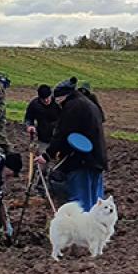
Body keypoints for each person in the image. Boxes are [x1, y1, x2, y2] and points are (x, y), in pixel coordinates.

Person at [46, 78, 108, 210]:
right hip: (97, 158)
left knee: (81, 203)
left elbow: (62, 133)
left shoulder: (72, 107)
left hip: (82, 160)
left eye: (57, 100)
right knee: (97, 201)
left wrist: (48, 155)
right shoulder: (88, 103)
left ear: (63, 97)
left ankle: (83, 227)